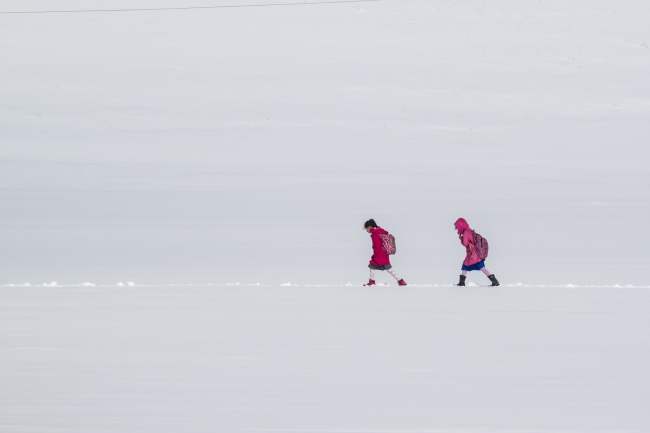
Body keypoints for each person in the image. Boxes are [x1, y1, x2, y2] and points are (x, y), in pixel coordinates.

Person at [454, 218, 500, 286]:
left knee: (465, 266)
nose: (457, 229)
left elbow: (465, 243)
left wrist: (461, 239)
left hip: (472, 253)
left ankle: (462, 282)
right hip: (476, 253)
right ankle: (494, 280)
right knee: (481, 267)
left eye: (457, 227)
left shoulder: (466, 233)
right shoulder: (469, 230)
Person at [363, 219, 406, 286]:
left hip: (379, 254)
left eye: (366, 228)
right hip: (384, 253)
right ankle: (400, 280)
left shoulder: (375, 234)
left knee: (376, 266)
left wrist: (375, 255)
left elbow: (377, 246)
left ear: (369, 227)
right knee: (382, 267)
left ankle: (372, 281)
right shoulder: (380, 231)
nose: (366, 230)